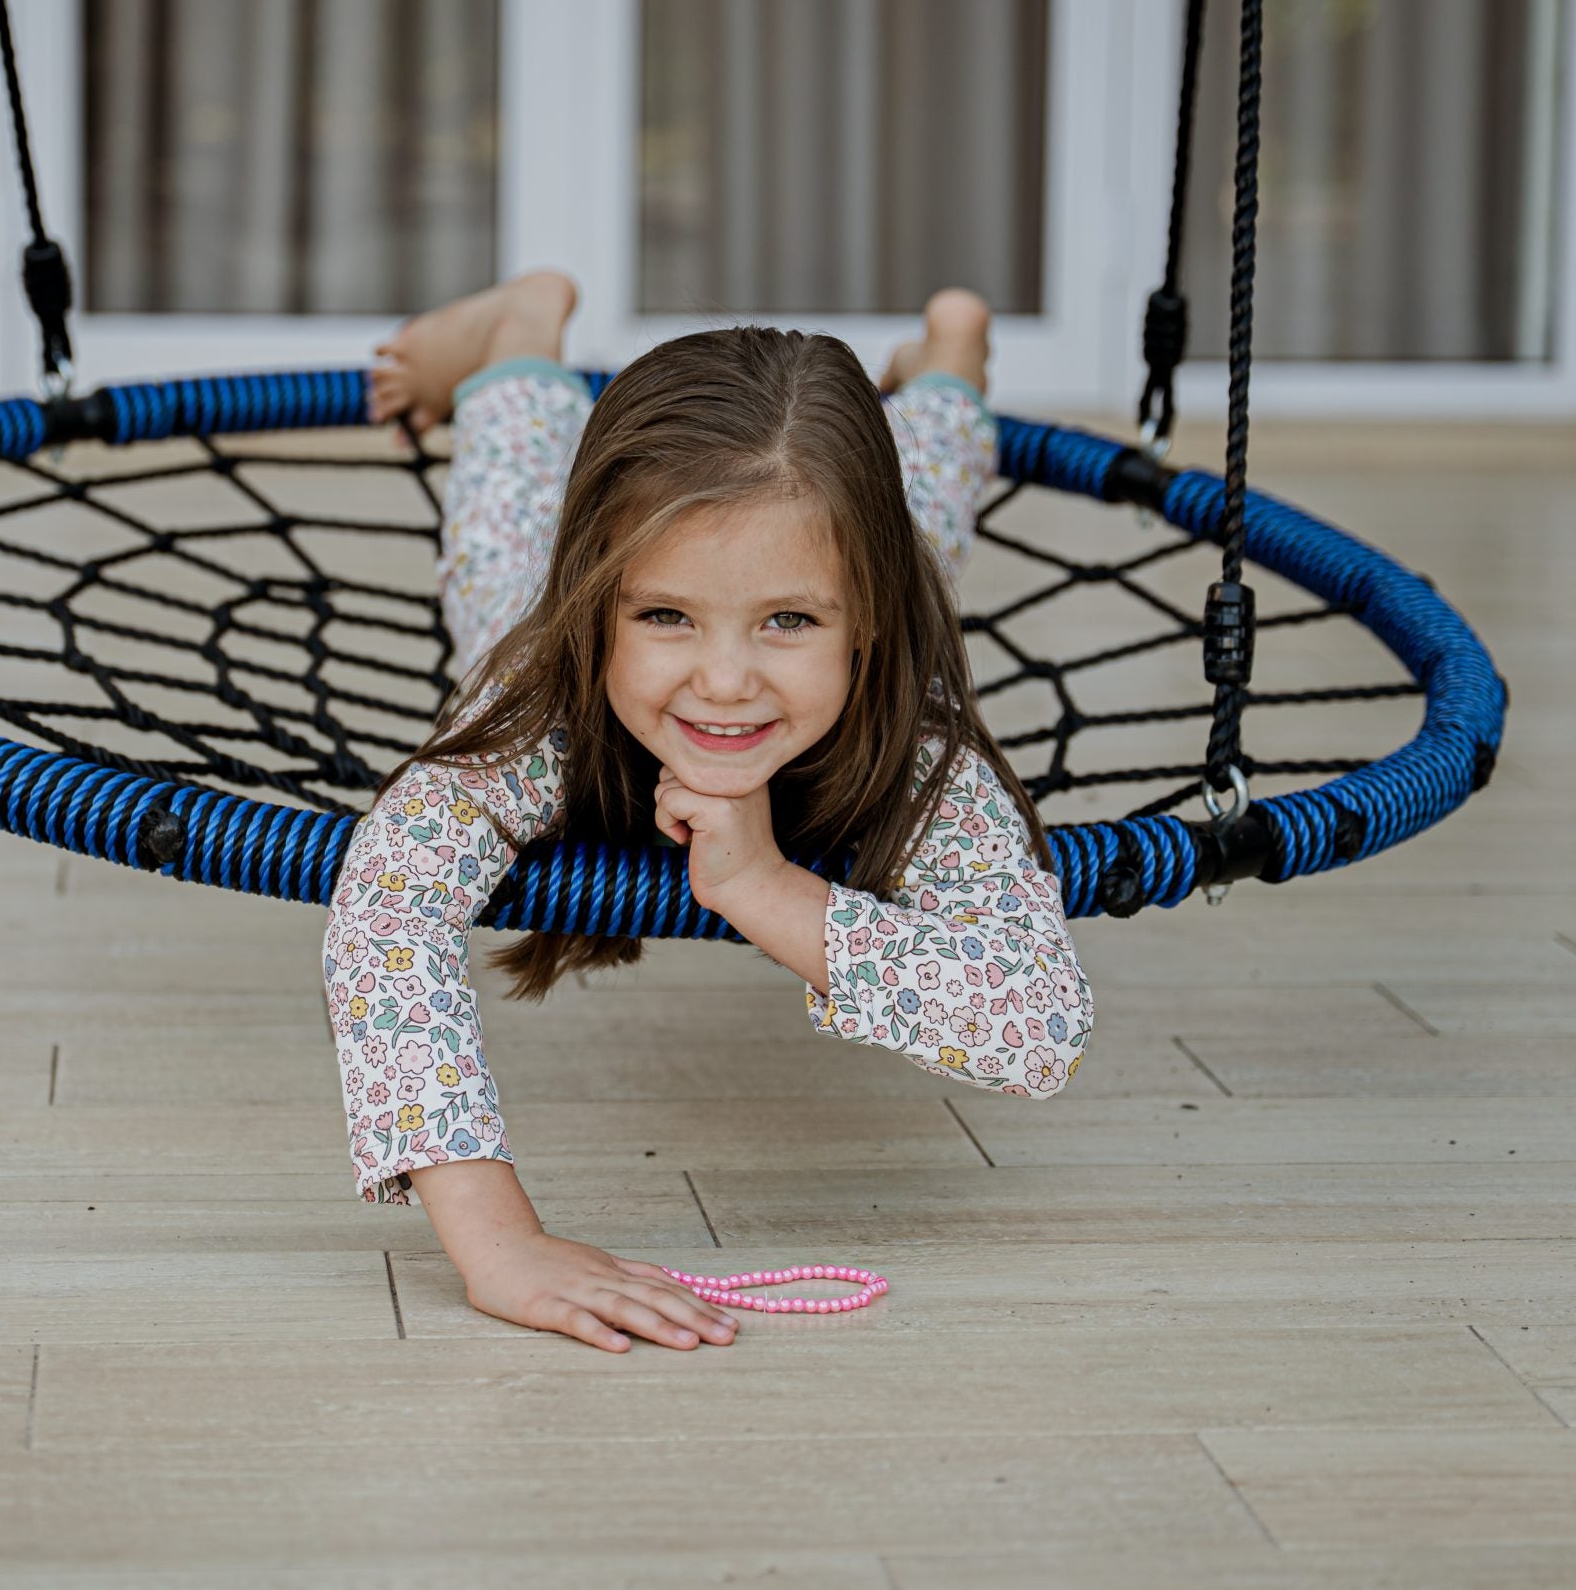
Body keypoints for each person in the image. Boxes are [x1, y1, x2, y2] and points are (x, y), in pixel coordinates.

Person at [326, 269, 1093, 1353]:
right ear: (600, 607)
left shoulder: (920, 753)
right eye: (665, 614)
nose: (723, 680)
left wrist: (761, 884)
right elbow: (385, 906)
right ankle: (519, 334)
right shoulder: (535, 709)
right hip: (533, 631)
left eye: (787, 619)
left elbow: (1040, 1029)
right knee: (499, 549)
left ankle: (948, 366)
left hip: (877, 582)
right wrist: (496, 1240)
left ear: (863, 623)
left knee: (919, 531)